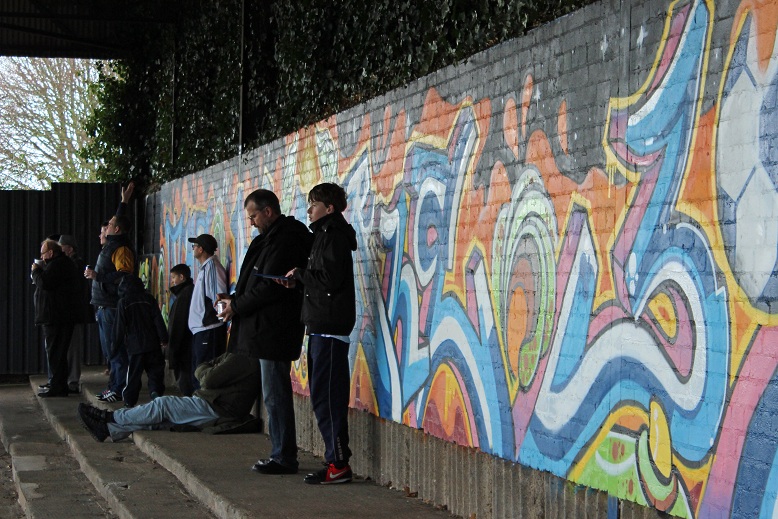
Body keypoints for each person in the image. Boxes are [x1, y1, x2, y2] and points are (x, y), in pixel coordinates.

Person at [217, 189, 312, 476]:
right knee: (273, 394)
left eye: (253, 216)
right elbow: (258, 282)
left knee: (275, 394)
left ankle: (283, 457)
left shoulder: (285, 239)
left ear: (268, 211)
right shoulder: (272, 238)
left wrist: (236, 306)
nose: (251, 223)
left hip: (274, 330)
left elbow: (270, 286)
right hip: (268, 329)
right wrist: (235, 300)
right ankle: (281, 453)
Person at [283, 183, 357, 484]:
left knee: (328, 400)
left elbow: (329, 278)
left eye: (314, 204)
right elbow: (324, 280)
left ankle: (338, 464)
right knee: (323, 399)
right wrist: (300, 280)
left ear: (329, 208)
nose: (309, 210)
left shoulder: (333, 236)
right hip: (321, 327)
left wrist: (301, 274)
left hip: (329, 329)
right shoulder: (324, 235)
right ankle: (335, 461)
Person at [77, 351, 260, 442]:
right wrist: (205, 370)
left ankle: (109, 417)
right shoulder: (236, 356)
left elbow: (208, 378)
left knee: (163, 405)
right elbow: (203, 369)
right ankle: (108, 429)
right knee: (158, 420)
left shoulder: (243, 359)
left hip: (217, 409)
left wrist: (205, 370)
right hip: (213, 405)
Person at [85, 183, 136, 403]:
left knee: (116, 349)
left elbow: (124, 274)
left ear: (116, 230)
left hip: (113, 306)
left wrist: (98, 277)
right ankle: (113, 386)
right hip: (104, 305)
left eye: (109, 225)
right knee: (110, 350)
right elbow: (118, 220)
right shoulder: (113, 243)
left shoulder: (121, 248)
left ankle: (119, 388)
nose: (106, 227)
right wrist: (123, 202)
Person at [31, 239, 81, 397]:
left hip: (56, 317)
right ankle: (58, 385)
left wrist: (36, 271)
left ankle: (57, 386)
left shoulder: (58, 264)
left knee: (56, 353)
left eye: (43, 253)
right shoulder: (60, 264)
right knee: (58, 353)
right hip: (59, 316)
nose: (41, 256)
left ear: (51, 253)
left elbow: (45, 283)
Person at [114, 275, 168, 407]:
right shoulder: (149, 299)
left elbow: (119, 327)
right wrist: (164, 338)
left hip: (135, 347)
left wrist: (114, 348)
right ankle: (156, 395)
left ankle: (129, 402)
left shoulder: (123, 302)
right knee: (155, 372)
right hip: (153, 344)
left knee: (133, 375)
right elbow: (158, 320)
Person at [187, 233, 228, 390]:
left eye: (195, 246)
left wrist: (218, 319)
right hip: (203, 330)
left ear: (201, 249)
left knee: (205, 376)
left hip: (209, 330)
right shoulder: (206, 268)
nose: (193, 249)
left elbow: (218, 297)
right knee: (198, 373)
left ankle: (205, 404)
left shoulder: (211, 268)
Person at [58, 234, 94, 393]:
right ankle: (65, 380)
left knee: (72, 348)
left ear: (70, 249)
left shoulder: (76, 264)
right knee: (66, 348)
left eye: (61, 247)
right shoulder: (71, 264)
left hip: (72, 313)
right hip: (69, 313)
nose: (59, 250)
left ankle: (72, 382)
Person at [167, 264, 195, 396]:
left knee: (185, 379)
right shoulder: (186, 292)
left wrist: (173, 349)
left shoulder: (184, 295)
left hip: (184, 346)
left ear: (182, 277)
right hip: (186, 345)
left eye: (173, 277)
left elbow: (178, 324)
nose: (172, 281)